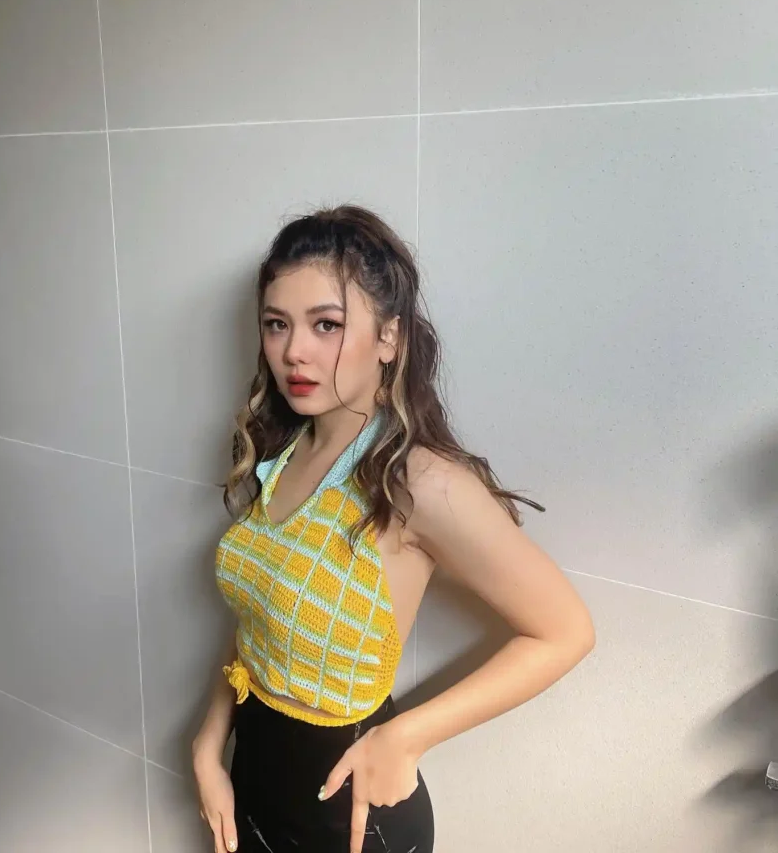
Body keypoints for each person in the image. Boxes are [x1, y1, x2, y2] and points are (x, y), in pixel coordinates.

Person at [192, 205, 595, 853]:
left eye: (326, 324)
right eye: (276, 324)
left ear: (389, 338)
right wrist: (208, 745)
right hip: (251, 783)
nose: (294, 351)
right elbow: (255, 625)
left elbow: (565, 632)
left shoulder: (417, 481)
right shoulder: (284, 450)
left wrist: (409, 736)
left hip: (352, 818)